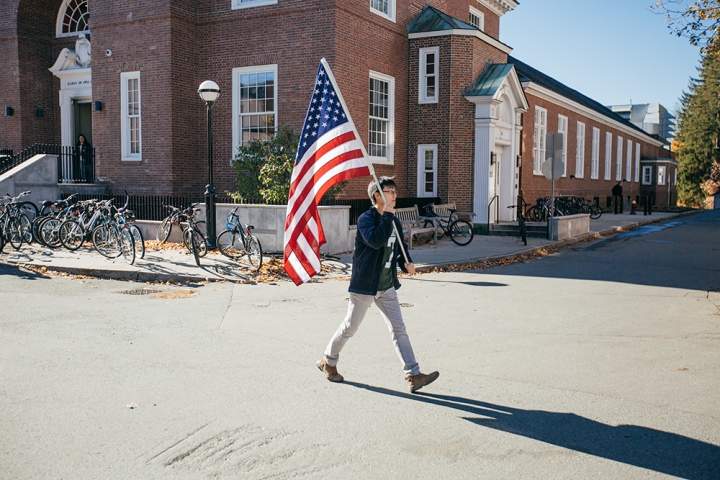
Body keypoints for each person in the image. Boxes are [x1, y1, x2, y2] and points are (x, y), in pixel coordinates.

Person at [317, 177, 439, 393]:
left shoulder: (395, 221)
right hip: (365, 285)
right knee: (350, 327)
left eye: (395, 191)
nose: (395, 195)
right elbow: (376, 241)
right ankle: (328, 360)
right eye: (390, 191)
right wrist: (387, 217)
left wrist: (405, 263)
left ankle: (413, 374)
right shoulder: (367, 219)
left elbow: (399, 248)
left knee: (399, 329)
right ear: (377, 195)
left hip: (387, 285)